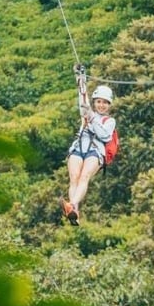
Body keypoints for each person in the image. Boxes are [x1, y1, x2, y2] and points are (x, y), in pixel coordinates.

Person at [62, 63, 115, 225]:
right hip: (79, 147)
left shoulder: (109, 121)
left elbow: (105, 136)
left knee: (84, 176)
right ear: (94, 102)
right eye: (99, 101)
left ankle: (72, 205)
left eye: (105, 103)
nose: (101, 105)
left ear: (109, 105)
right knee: (74, 178)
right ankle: (74, 212)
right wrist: (80, 77)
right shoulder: (86, 111)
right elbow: (82, 95)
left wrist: (92, 117)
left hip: (95, 152)